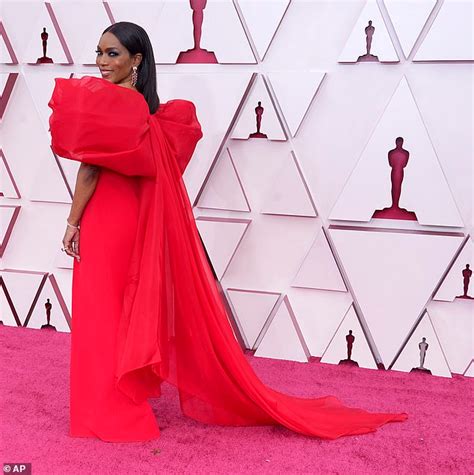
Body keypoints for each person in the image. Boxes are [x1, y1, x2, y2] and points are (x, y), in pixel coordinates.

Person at [48, 21, 407, 443]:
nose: (102, 61)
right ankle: (120, 404)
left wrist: (72, 222)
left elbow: (89, 168)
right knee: (119, 310)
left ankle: (106, 411)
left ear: (136, 60)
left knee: (101, 312)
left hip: (107, 219)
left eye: (113, 54)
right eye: (100, 52)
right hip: (135, 220)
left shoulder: (108, 104)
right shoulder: (150, 113)